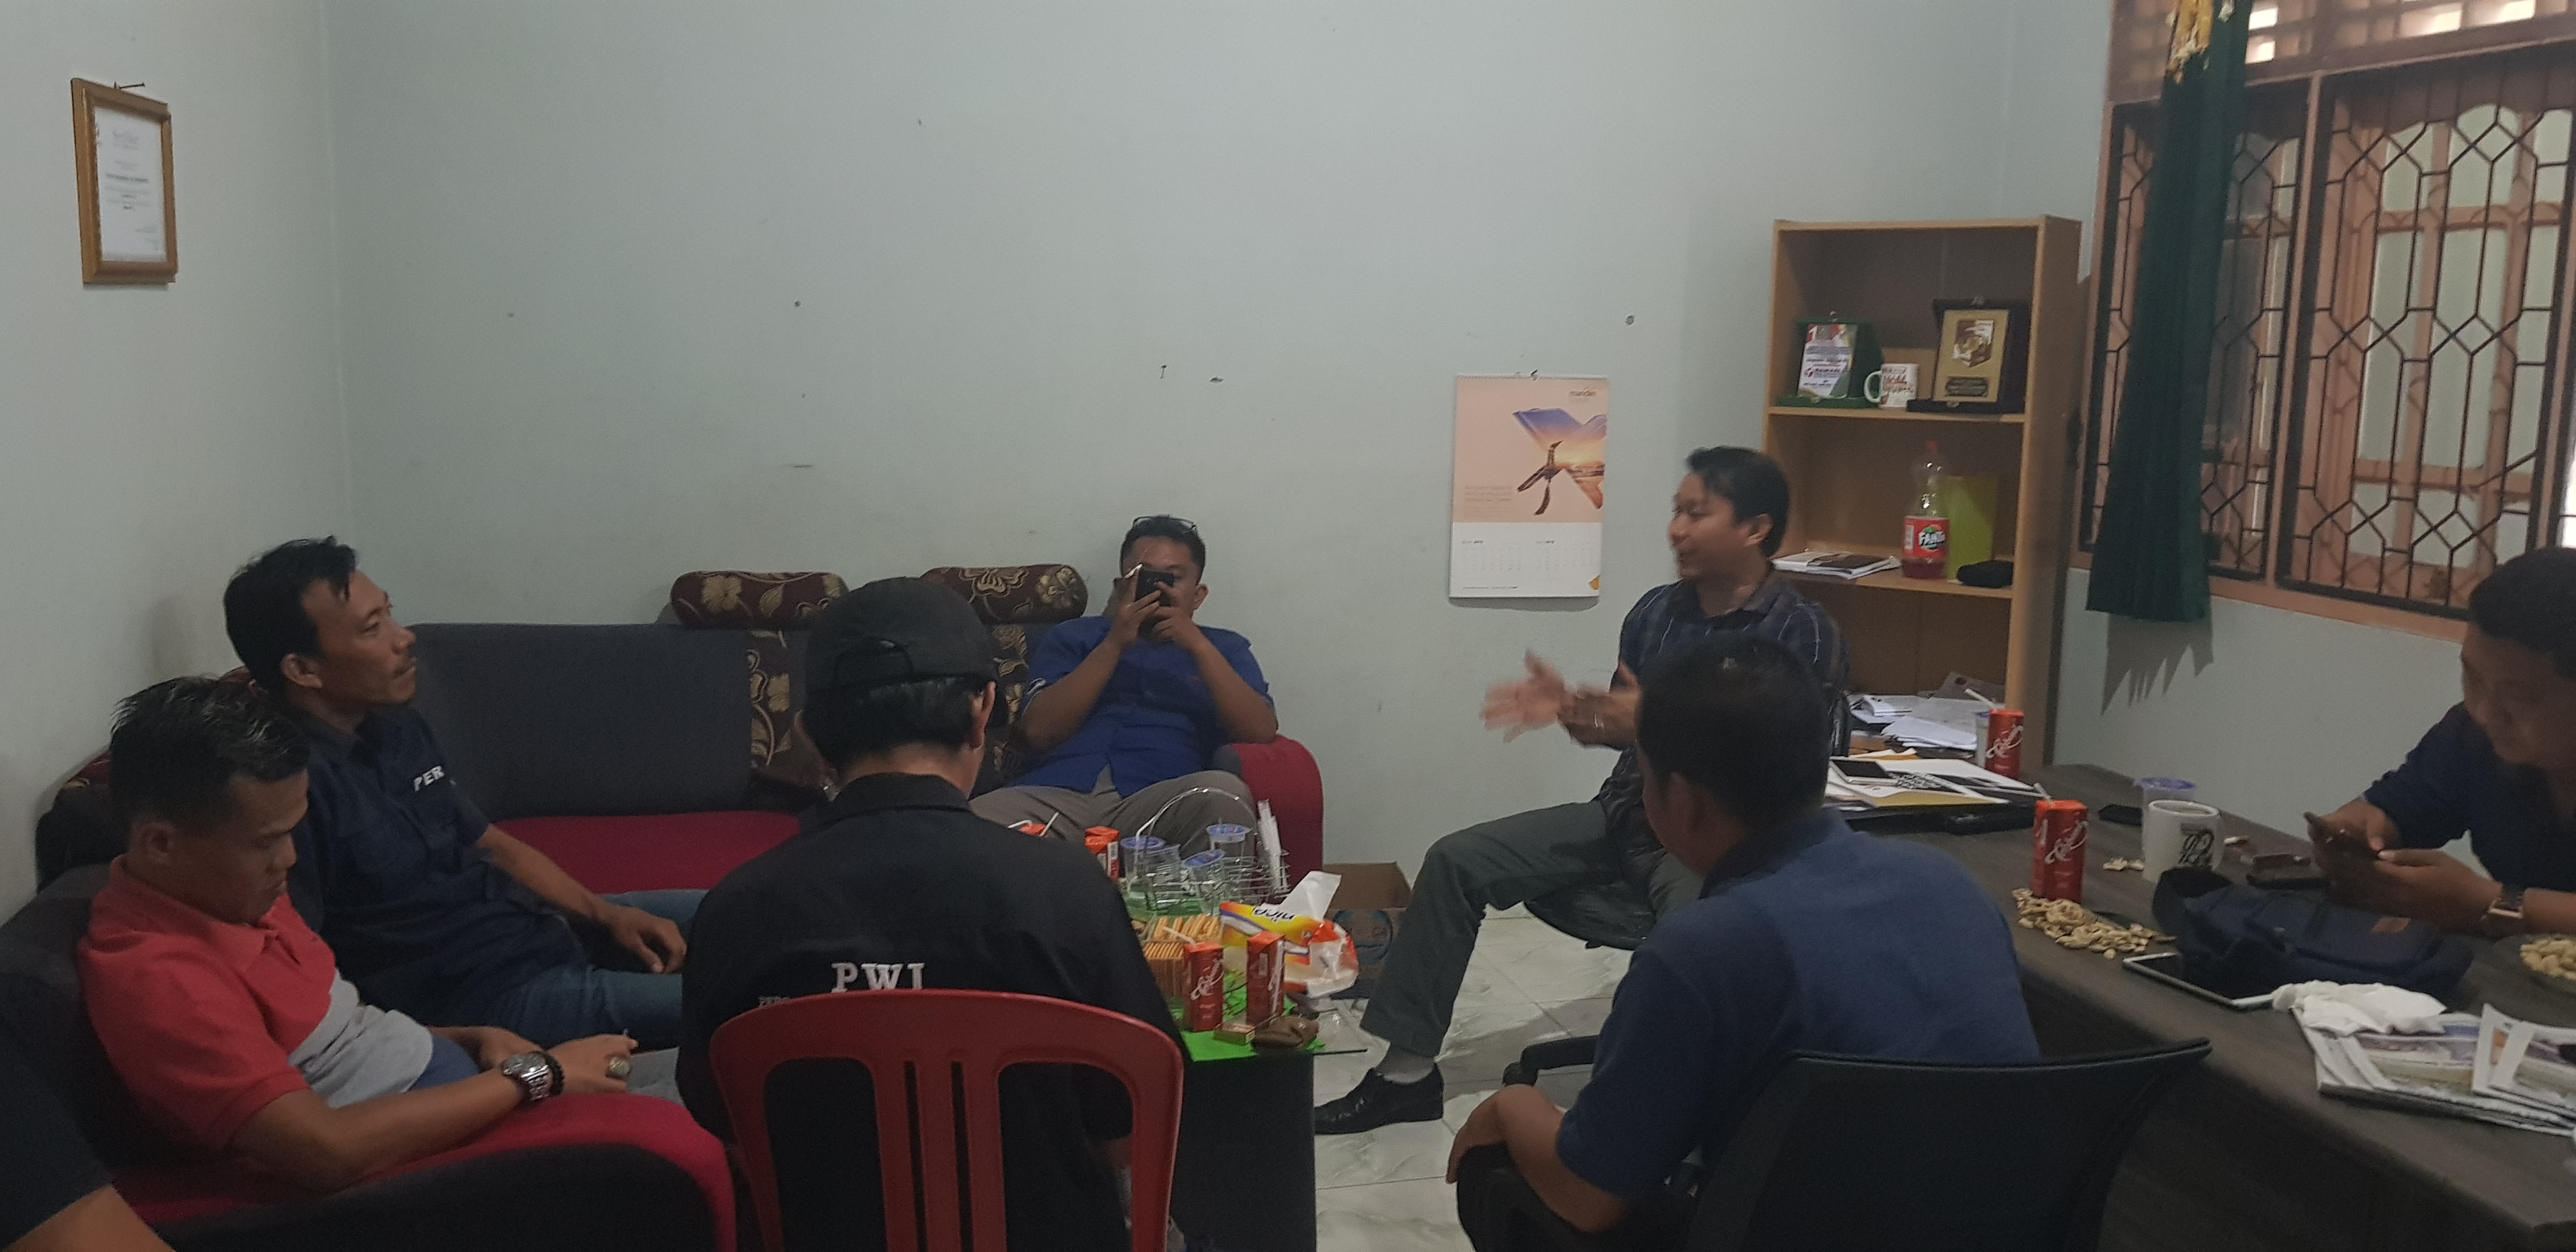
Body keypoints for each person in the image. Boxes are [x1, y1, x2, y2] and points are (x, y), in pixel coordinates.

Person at [1317, 447, 1850, 1134]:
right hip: (1626, 812)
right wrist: (1578, 712)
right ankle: (1406, 1077)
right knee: (1456, 859)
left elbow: (1783, 759)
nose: (1676, 530)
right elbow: (1624, 730)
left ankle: (1666, 1113)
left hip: (1716, 839)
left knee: (1692, 936)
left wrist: (1652, 718)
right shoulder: (1656, 612)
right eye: (1676, 512)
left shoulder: (1802, 630)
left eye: (1697, 514)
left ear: (1755, 528)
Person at [1445, 636, 2037, 1249]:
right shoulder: (1952, 886)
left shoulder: (1701, 949)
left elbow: (1591, 1199)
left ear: (1684, 801)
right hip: (1993, 1232)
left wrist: (1511, 1106)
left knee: (1498, 1166)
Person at [680, 578, 1178, 1251]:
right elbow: (1131, 1133)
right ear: (982, 713)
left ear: (808, 735)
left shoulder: (738, 910)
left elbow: (732, 1131)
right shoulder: (1069, 893)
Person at [77, 678, 636, 1193]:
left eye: (292, 833)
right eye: (266, 842)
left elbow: (337, 1041)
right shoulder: (162, 978)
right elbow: (326, 1151)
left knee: (680, 1075)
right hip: (440, 1166)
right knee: (675, 1119)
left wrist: (470, 1039)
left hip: (471, 1093)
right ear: (161, 844)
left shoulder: (230, 898)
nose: (290, 859)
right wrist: (535, 1076)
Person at [222, 538, 699, 1048]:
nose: (404, 638)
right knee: (730, 1001)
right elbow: (302, 964)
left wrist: (606, 916)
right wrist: (447, 1046)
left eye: (390, 614)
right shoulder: (286, 792)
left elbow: (489, 843)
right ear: (303, 670)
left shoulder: (396, 724)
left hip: (540, 927)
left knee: (741, 911)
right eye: (372, 628)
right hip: (494, 997)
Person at [970, 515, 1275, 854]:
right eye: (1144, 577)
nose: (1159, 590)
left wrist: (1198, 647)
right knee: (963, 824)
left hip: (1162, 797)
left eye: (1173, 579)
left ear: (1198, 595)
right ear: (1121, 587)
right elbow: (1039, 733)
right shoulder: (1074, 637)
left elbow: (1260, 732)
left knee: (1223, 797)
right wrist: (1114, 644)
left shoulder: (1224, 648)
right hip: (1057, 793)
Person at [2314, 547, 2576, 935]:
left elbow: (2479, 902)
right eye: (2473, 679)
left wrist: (2489, 902)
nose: (2484, 713)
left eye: (2520, 699)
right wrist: (2358, 833)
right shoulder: (2471, 737)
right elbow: (2399, 808)